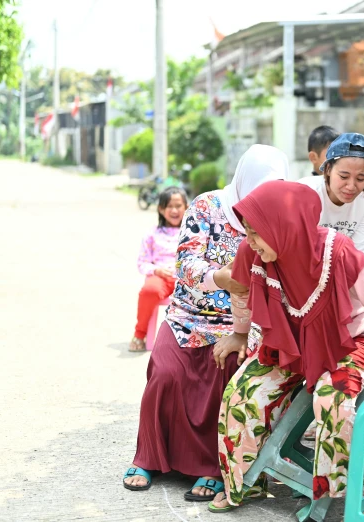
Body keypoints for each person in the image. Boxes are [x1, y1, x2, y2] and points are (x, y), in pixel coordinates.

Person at [207, 181, 364, 513]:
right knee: (241, 394)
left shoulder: (338, 252)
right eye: (248, 232)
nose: (250, 241)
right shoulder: (252, 252)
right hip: (289, 342)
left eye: (257, 233)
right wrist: (240, 334)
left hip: (345, 342)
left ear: (283, 225)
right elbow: (241, 290)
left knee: (333, 403)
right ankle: (245, 483)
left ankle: (349, 495)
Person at [122, 145, 289, 501]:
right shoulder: (206, 206)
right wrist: (221, 278)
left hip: (239, 321)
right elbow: (185, 266)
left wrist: (245, 323)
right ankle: (149, 456)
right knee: (165, 371)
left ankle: (213, 465)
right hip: (188, 314)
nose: (260, 196)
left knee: (226, 369)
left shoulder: (275, 216)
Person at [298, 133, 364, 258]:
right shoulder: (306, 192)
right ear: (328, 169)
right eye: (343, 176)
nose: (351, 186)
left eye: (361, 178)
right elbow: (297, 248)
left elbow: (360, 254)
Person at [130, 186, 188, 352]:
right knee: (149, 291)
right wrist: (157, 270)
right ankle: (140, 333)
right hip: (161, 277)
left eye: (178, 206)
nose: (175, 210)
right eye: (170, 206)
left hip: (186, 279)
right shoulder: (152, 234)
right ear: (161, 209)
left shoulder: (193, 233)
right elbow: (142, 262)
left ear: (186, 208)